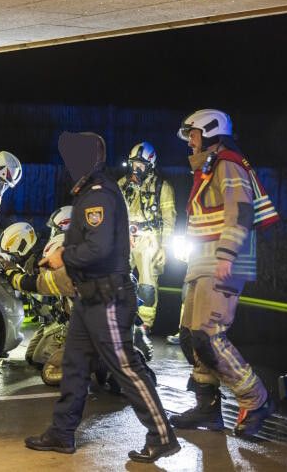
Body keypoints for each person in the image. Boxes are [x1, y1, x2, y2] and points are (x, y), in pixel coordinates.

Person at [25, 131, 179, 463]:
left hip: (107, 298)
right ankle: (62, 433)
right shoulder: (90, 191)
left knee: (125, 367)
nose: (69, 163)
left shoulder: (99, 194)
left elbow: (98, 247)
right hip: (89, 297)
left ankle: (162, 436)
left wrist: (63, 256)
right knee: (74, 365)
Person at [170, 109, 278, 437]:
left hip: (224, 260)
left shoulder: (227, 164)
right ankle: (207, 407)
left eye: (193, 135)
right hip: (203, 261)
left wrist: (227, 253)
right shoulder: (209, 167)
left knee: (208, 335)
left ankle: (256, 399)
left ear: (210, 132)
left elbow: (240, 211)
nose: (190, 141)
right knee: (191, 337)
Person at [118, 142, 176, 358]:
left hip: (150, 238)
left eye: (140, 165)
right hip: (125, 237)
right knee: (116, 278)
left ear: (150, 165)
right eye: (133, 164)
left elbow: (169, 220)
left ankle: (143, 327)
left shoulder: (162, 187)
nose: (136, 169)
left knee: (147, 285)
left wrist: (165, 247)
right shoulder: (122, 184)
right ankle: (117, 320)